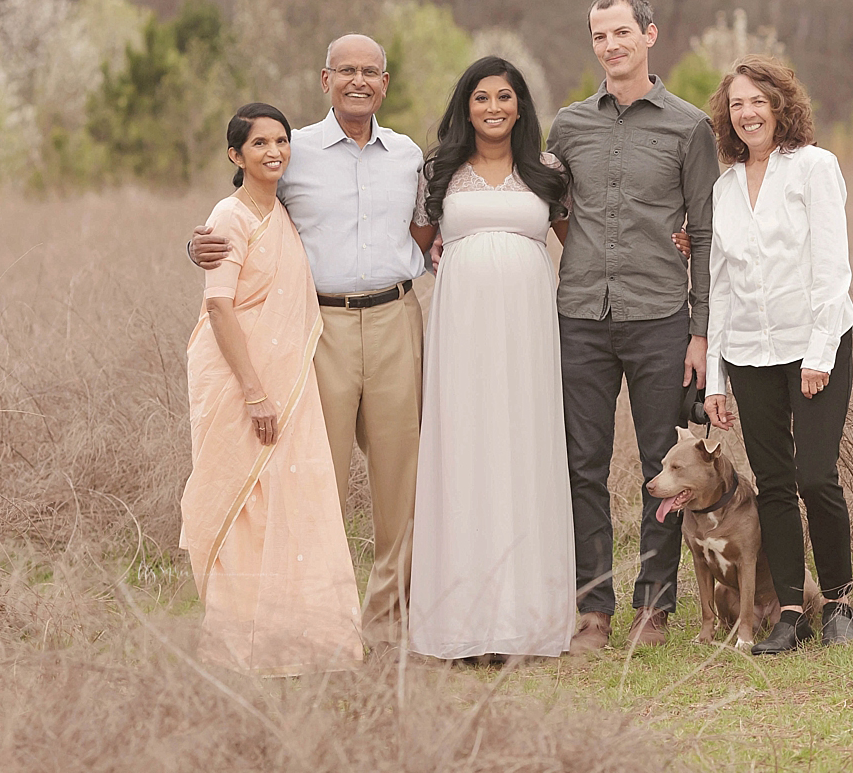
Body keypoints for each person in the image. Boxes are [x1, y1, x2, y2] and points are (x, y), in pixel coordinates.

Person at [190, 35, 425, 646]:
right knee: (313, 476)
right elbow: (246, 215)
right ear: (325, 80)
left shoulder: (407, 156)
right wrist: (196, 246)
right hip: (320, 328)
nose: (358, 81)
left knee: (400, 479)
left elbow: (430, 233)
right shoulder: (296, 153)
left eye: (370, 71)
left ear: (385, 82)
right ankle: (318, 617)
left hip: (398, 317)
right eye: (346, 70)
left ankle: (384, 623)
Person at [545, 0, 717, 652]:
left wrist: (701, 333)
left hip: (661, 320)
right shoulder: (568, 127)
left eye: (622, 33)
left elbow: (703, 232)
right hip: (581, 315)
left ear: (649, 35)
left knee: (661, 465)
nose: (611, 46)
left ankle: (654, 605)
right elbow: (560, 211)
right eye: (599, 36)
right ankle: (593, 611)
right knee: (581, 463)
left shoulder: (688, 127)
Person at [181, 102, 362, 674]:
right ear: (236, 155)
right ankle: (240, 643)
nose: (274, 152)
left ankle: (304, 638)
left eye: (281, 141)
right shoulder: (229, 216)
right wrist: (255, 391)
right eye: (259, 144)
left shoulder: (282, 211)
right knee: (243, 500)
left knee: (292, 494)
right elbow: (219, 304)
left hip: (290, 376)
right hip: (241, 379)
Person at [405, 57, 576, 660]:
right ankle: (464, 622)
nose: (494, 107)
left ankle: (525, 621)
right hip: (463, 333)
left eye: (505, 96)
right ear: (465, 106)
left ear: (522, 106)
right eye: (481, 97)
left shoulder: (548, 171)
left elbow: (578, 241)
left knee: (523, 450)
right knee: (467, 452)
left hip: (528, 331)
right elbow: (415, 246)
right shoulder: (439, 170)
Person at [701, 55, 853, 654]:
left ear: (780, 106)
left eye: (757, 102)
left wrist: (819, 353)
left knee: (815, 476)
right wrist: (716, 379)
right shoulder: (724, 188)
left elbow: (832, 266)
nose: (747, 114)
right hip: (748, 350)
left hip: (814, 342)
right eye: (737, 104)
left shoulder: (815, 168)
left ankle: (839, 600)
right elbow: (717, 285)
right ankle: (791, 609)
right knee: (772, 483)